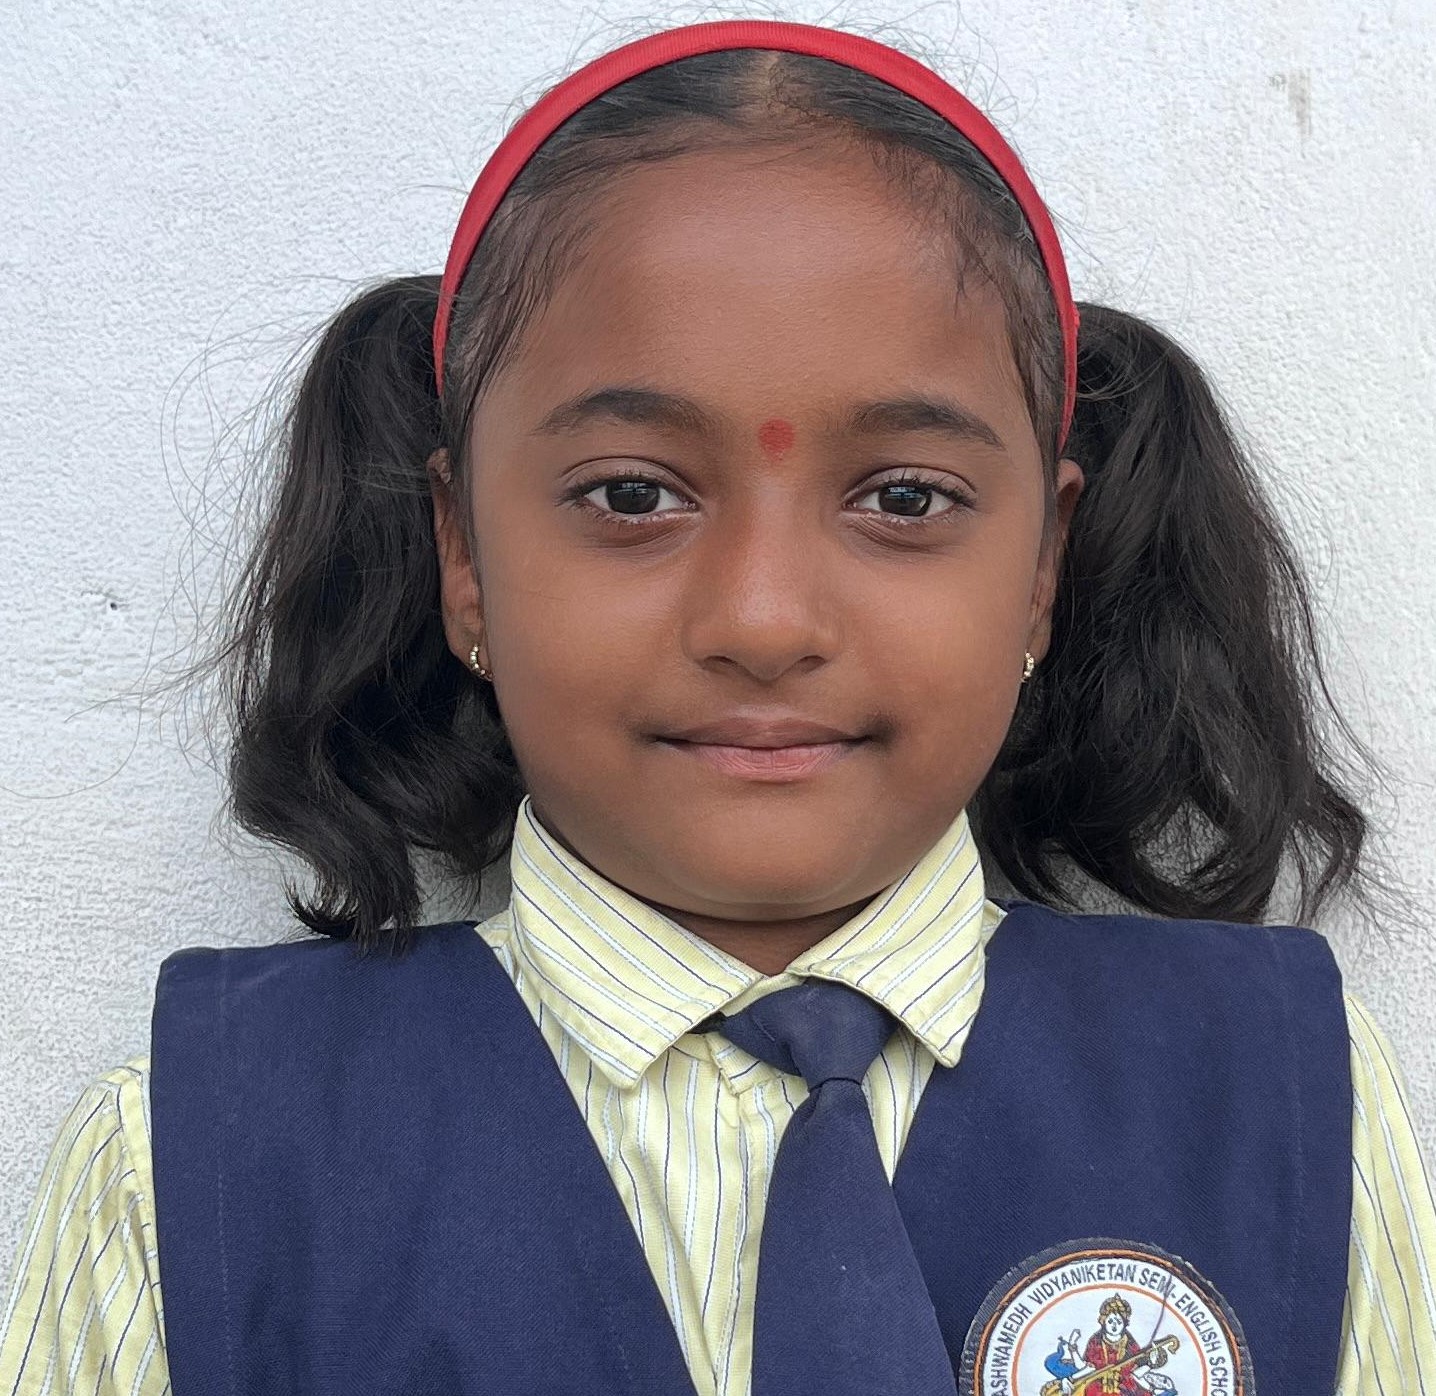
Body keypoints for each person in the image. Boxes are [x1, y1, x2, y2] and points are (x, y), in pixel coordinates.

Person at [2, 15, 1433, 1396]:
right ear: (463, 559)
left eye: (905, 499)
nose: (762, 620)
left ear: (1043, 567)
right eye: (633, 494)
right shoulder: (186, 1165)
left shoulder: (1293, 1107)